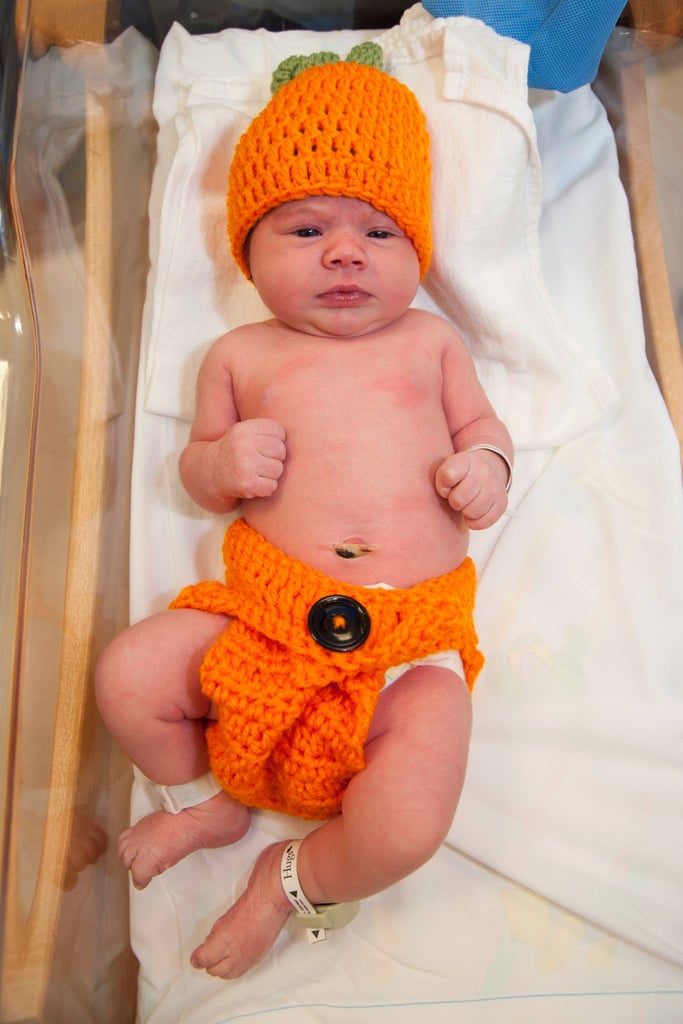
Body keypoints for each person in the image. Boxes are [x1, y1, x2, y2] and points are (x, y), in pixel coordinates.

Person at [95, 47, 513, 980]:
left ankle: (285, 882)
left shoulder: (431, 341)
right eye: (305, 228)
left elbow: (485, 425)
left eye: (378, 232)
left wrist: (485, 463)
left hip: (406, 653)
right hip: (261, 620)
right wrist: (221, 462)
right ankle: (204, 800)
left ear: (417, 252)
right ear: (244, 250)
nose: (343, 253)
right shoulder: (238, 355)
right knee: (128, 674)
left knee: (409, 824)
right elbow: (197, 472)